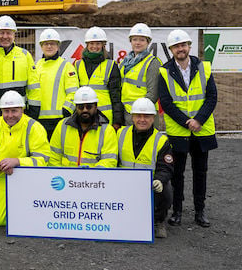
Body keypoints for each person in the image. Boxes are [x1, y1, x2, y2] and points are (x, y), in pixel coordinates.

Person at [159, 29, 217, 228]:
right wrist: (187, 121)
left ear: (189, 46)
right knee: (177, 174)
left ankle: (200, 211)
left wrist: (198, 120)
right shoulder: (164, 71)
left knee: (201, 172)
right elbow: (166, 102)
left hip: (201, 130)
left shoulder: (204, 67)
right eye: (176, 46)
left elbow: (212, 97)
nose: (180, 49)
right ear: (171, 49)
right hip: (179, 131)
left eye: (183, 45)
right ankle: (177, 211)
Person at [0, 91, 51, 226]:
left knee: (31, 219)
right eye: (6, 111)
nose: (10, 115)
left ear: (22, 109)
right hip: (3, 180)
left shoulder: (34, 128)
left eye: (14, 111)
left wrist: (18, 162)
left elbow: (43, 158)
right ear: (1, 111)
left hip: (29, 182)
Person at [117, 98, 173, 238]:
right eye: (138, 116)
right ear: (132, 117)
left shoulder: (161, 141)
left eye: (146, 116)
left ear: (153, 118)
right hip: (123, 185)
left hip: (147, 186)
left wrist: (159, 180)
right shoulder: (120, 134)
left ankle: (158, 221)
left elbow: (166, 167)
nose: (142, 120)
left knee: (165, 189)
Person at [49, 86, 118, 168]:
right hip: (67, 178)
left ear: (96, 107)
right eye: (81, 107)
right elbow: (53, 157)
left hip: (94, 179)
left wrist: (93, 172)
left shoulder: (107, 131)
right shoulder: (62, 126)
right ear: (76, 107)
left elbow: (109, 160)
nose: (85, 110)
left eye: (89, 107)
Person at [0, 15, 40, 120]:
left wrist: (34, 110)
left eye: (9, 33)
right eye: (1, 33)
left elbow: (33, 85)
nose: (5, 36)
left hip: (19, 112)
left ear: (14, 34)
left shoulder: (25, 55)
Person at [75, 26, 124, 129]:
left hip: (105, 118)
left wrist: (117, 121)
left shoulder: (111, 65)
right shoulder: (78, 65)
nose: (94, 46)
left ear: (103, 45)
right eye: (91, 43)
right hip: (84, 117)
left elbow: (116, 96)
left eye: (98, 43)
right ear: (87, 45)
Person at [35, 28, 79, 138]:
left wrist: (66, 111)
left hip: (59, 119)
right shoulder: (36, 66)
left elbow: (73, 92)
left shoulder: (66, 66)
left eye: (52, 44)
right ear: (41, 46)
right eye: (46, 44)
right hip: (38, 118)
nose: (49, 46)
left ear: (58, 46)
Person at [119, 23, 161, 126]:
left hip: (144, 115)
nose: (138, 43)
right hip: (126, 113)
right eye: (135, 39)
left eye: (142, 40)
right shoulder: (124, 63)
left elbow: (153, 94)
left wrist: (139, 114)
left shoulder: (153, 63)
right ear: (131, 41)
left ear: (148, 42)